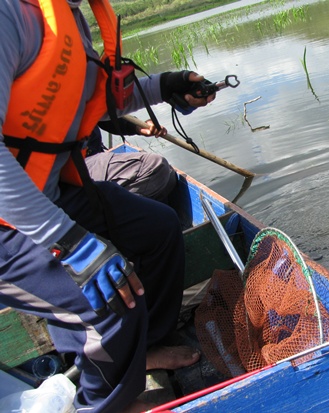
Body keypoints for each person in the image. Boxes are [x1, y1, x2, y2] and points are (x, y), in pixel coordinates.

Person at [0, 0, 213, 412]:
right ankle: (103, 405)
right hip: (9, 228)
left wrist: (166, 86)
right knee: (112, 300)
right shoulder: (10, 14)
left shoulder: (68, 17)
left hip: (49, 196)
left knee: (158, 228)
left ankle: (144, 348)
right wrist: (71, 244)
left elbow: (95, 103)